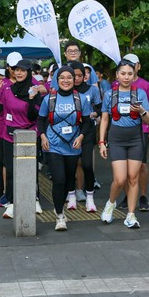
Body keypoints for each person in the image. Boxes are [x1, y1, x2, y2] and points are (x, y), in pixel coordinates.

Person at [99, 59, 149, 229]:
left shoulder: (140, 93)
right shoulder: (110, 95)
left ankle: (130, 215)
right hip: (116, 139)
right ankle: (110, 203)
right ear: (117, 75)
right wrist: (102, 142)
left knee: (133, 177)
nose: (126, 77)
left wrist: (142, 111)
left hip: (136, 139)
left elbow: (148, 120)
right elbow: (104, 119)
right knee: (120, 179)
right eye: (123, 73)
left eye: (130, 73)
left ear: (134, 75)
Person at [38, 66, 92, 230]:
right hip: (53, 144)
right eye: (62, 78)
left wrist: (81, 137)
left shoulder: (81, 99)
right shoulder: (49, 99)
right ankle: (60, 216)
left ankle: (59, 206)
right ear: (57, 80)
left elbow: (87, 122)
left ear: (74, 80)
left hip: (72, 145)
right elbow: (40, 120)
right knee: (59, 179)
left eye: (69, 77)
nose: (66, 80)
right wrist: (43, 136)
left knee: (69, 179)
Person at [0, 59, 43, 218]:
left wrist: (32, 99)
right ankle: (13, 203)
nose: (19, 73)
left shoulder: (34, 90)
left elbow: (33, 116)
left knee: (30, 170)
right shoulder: (7, 89)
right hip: (10, 135)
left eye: (23, 70)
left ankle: (34, 199)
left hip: (29, 135)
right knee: (11, 170)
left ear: (28, 72)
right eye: (17, 70)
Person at [116, 53, 149, 212]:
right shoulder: (115, 85)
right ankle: (128, 196)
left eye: (133, 65)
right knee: (124, 167)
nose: (126, 75)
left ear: (138, 66)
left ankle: (143, 196)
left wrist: (140, 109)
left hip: (140, 130)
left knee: (142, 165)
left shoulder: (145, 85)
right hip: (121, 131)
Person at [68, 62, 102, 210]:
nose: (76, 78)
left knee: (87, 164)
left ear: (85, 76)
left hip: (87, 130)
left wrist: (95, 113)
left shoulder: (92, 90)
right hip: (70, 132)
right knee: (70, 165)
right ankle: (71, 195)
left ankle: (90, 196)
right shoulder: (65, 90)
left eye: (79, 75)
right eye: (73, 76)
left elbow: (100, 107)